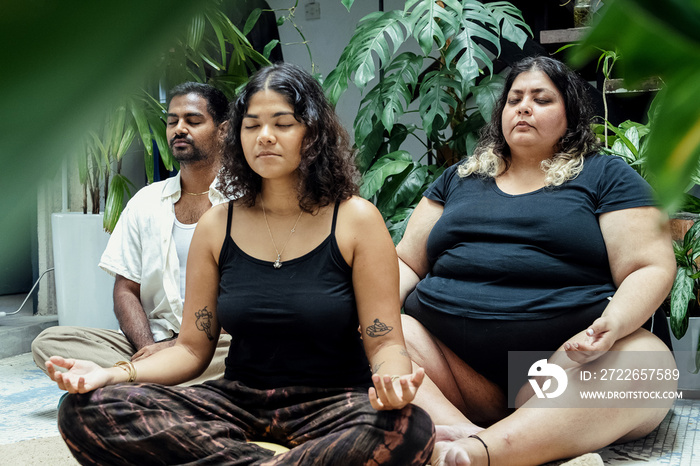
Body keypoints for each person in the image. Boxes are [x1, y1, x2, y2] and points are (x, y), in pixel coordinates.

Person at [45, 63, 435, 465]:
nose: (264, 137)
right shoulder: (217, 223)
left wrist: (393, 380)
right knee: (85, 410)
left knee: (409, 430)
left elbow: (385, 340)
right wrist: (113, 374)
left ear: (313, 134)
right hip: (237, 401)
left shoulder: (356, 220)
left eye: (282, 124)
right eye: (252, 126)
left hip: (334, 404)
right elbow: (192, 350)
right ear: (237, 136)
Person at [396, 56, 677, 466]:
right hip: (452, 372)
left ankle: (478, 453)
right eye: (515, 99)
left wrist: (612, 325)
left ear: (571, 113)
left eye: (541, 99)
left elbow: (648, 266)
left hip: (563, 369)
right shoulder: (460, 177)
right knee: (379, 332)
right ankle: (466, 436)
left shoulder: (606, 176)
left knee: (647, 367)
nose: (523, 107)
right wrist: (369, 313)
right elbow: (406, 262)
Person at [33, 82, 233, 386]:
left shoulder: (244, 200)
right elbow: (125, 289)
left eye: (192, 121)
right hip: (151, 339)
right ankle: (158, 377)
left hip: (217, 341)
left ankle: (129, 379)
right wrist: (147, 348)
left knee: (251, 348)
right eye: (172, 121)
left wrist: (177, 350)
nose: (179, 129)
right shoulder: (146, 201)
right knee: (50, 342)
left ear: (223, 130)